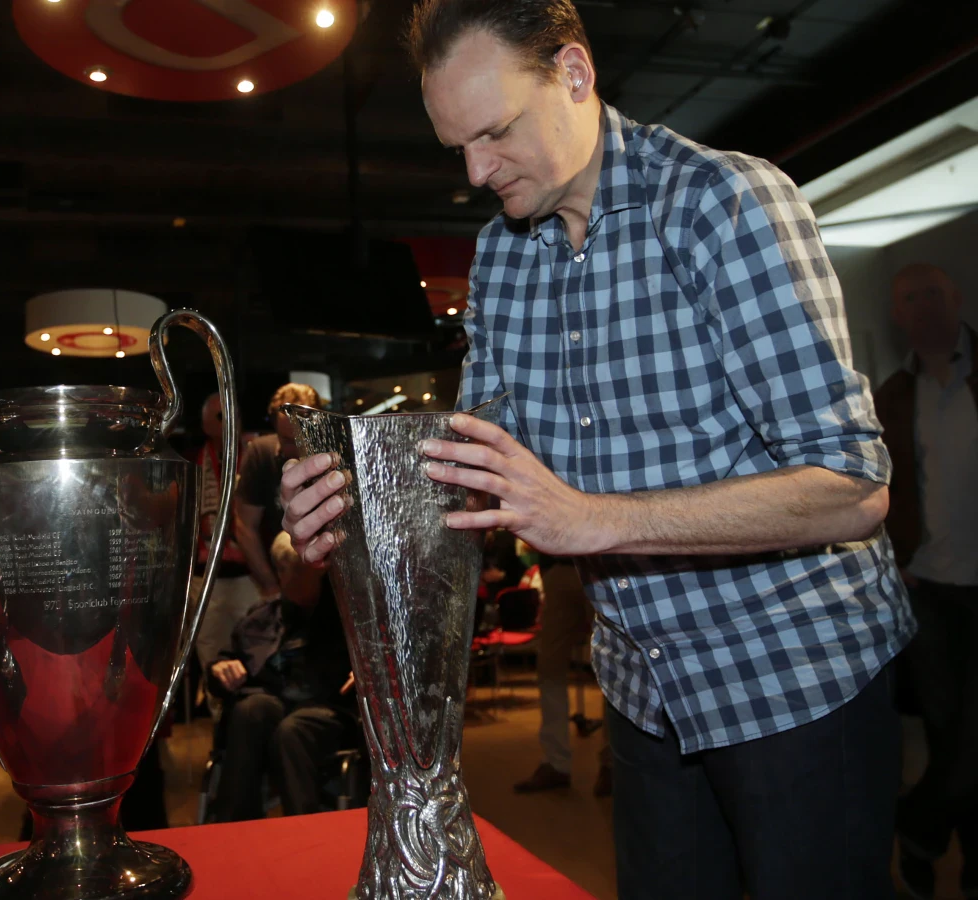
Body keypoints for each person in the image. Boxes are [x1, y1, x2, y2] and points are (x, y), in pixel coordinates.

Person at [280, 3, 914, 898]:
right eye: (455, 146)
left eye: (494, 132)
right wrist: (348, 508)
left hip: (794, 680)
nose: (475, 171)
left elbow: (854, 485)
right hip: (645, 691)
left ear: (573, 76)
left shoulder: (722, 203)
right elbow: (467, 470)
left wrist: (588, 519)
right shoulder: (502, 258)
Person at [875, 263, 978, 899]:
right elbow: (875, 490)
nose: (923, 307)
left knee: (971, 738)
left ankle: (917, 827)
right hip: (931, 589)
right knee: (951, 733)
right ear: (898, 315)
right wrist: (897, 560)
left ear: (957, 299)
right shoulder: (891, 396)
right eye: (910, 299)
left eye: (932, 294)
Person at [207, 530, 355, 822]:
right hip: (268, 702)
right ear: (281, 571)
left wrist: (366, 673)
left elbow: (379, 661)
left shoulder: (346, 619)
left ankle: (304, 826)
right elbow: (225, 662)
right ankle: (235, 825)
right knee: (252, 710)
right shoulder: (259, 618)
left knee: (293, 730)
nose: (306, 576)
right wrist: (219, 670)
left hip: (325, 708)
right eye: (294, 568)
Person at [514, 551, 612, 797]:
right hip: (562, 565)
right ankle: (555, 763)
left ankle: (613, 763)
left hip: (604, 564)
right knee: (549, 666)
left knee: (613, 669)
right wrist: (549, 570)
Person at [190, 392, 256, 715]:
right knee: (212, 660)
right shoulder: (194, 460)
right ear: (204, 424)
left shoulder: (254, 454)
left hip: (249, 577)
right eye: (219, 416)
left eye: (233, 413)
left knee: (254, 658)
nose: (229, 421)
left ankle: (247, 724)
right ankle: (221, 732)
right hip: (208, 582)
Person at [234, 384, 322, 607]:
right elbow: (244, 526)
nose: (293, 449)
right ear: (274, 426)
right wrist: (270, 584)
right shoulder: (260, 453)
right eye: (286, 439)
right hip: (278, 580)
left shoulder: (331, 455)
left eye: (301, 439)